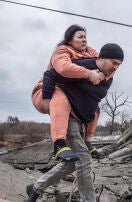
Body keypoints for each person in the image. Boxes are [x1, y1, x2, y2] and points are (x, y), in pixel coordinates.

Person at [27, 43, 124, 202]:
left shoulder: (108, 78)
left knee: (71, 164)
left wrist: (88, 137)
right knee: (84, 159)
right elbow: (51, 74)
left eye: (119, 65)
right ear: (101, 57)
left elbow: (94, 102)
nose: (116, 67)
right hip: (67, 115)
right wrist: (48, 101)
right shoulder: (83, 66)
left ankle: (36, 187)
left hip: (81, 120)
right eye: (114, 62)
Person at [32, 24, 105, 162]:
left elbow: (103, 61)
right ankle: (59, 145)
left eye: (85, 37)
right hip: (46, 92)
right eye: (80, 37)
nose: (84, 40)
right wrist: (89, 73)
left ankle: (88, 142)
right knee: (59, 95)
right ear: (70, 40)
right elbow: (63, 68)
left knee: (95, 108)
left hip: (71, 95)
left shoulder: (89, 51)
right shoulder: (61, 50)